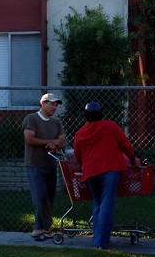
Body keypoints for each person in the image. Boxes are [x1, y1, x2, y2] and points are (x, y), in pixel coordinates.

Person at [72, 101, 136, 249]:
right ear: (101, 114)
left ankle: (98, 239)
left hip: (90, 172)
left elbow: (77, 156)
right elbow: (126, 145)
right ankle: (101, 242)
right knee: (107, 204)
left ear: (86, 116)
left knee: (98, 204)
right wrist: (133, 161)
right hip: (110, 170)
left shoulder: (80, 133)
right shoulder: (110, 126)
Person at [22, 93, 66, 240]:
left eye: (56, 105)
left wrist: (55, 143)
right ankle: (41, 228)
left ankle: (41, 229)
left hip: (51, 165)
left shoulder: (56, 123)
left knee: (48, 198)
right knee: (40, 197)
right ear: (43, 103)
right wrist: (51, 142)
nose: (54, 107)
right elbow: (30, 139)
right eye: (51, 104)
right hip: (35, 165)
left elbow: (62, 142)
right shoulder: (31, 119)